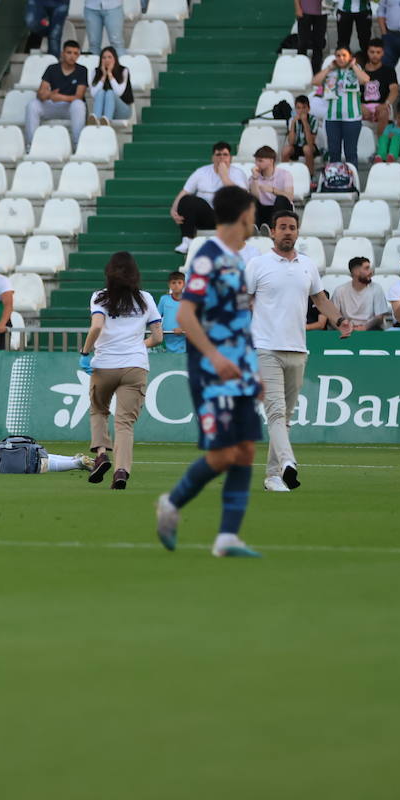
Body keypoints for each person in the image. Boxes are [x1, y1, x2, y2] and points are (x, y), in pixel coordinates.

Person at [154, 186, 262, 558]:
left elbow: (239, 322)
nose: (255, 220)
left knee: (246, 450)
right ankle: (172, 502)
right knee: (223, 454)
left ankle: (227, 537)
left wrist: (253, 370)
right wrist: (215, 358)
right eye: (253, 212)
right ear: (243, 215)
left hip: (240, 370)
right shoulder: (206, 258)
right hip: (212, 372)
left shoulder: (237, 260)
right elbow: (185, 315)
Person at [246, 210, 351, 493]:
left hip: (297, 349)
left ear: (298, 231)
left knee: (285, 418)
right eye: (282, 227)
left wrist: (339, 320)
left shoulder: (307, 265)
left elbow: (319, 299)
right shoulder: (258, 264)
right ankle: (289, 463)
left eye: (292, 227)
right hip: (266, 348)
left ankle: (272, 476)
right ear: (272, 232)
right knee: (276, 413)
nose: (288, 232)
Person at [78, 251, 162, 490]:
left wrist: (85, 353)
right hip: (135, 366)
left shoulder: (100, 297)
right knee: (125, 423)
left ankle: (102, 454)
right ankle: (121, 470)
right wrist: (138, 345)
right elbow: (157, 337)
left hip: (105, 364)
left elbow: (96, 327)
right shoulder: (145, 298)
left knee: (98, 410)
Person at [170, 141, 249, 254]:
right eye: (218, 155)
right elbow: (184, 191)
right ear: (213, 158)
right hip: (207, 216)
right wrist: (173, 209)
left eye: (225, 155)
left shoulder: (238, 173)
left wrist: (224, 177)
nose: (222, 158)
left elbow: (242, 197)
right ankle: (187, 240)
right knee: (187, 199)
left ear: (230, 158)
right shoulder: (201, 172)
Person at [24, 38, 88, 148]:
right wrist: (48, 95)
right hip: (53, 105)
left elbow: (79, 96)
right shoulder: (52, 68)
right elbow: (40, 93)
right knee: (33, 105)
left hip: (69, 107)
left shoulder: (82, 70)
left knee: (79, 105)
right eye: (69, 52)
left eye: (75, 53)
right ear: (62, 53)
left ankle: (78, 145)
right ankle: (32, 145)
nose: (72, 56)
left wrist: (58, 97)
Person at [314, 45, 370, 166]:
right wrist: (329, 68)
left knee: (350, 152)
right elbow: (315, 82)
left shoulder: (356, 69)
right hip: (332, 118)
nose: (341, 58)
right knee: (334, 153)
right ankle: (335, 181)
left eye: (344, 55)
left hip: (352, 118)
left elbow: (365, 80)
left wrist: (354, 65)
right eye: (338, 55)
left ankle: (353, 181)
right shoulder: (330, 71)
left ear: (350, 57)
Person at [332, 255, 392, 330]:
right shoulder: (340, 290)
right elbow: (333, 316)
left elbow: (379, 317)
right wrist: (343, 328)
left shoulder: (377, 288)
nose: (371, 272)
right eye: (367, 268)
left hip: (371, 330)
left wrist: (364, 327)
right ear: (355, 272)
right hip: (346, 330)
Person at [248, 145, 294, 230]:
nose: (257, 164)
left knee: (281, 199)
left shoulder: (285, 175)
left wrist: (273, 190)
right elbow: (255, 196)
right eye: (256, 161)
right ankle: (254, 228)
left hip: (281, 209)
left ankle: (273, 229)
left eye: (260, 161)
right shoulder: (253, 177)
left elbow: (290, 197)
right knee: (251, 199)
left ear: (271, 161)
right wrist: (255, 179)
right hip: (264, 209)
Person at [282, 94, 319, 180]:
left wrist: (305, 123)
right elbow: (291, 142)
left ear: (308, 108)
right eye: (298, 108)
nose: (301, 111)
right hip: (296, 146)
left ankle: (310, 176)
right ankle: (283, 175)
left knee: (307, 148)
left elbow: (311, 142)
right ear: (295, 109)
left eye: (304, 108)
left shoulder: (313, 120)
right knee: (286, 150)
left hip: (310, 146)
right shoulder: (292, 120)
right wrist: (293, 124)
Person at [157, 270, 186, 351]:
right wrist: (158, 329)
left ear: (184, 284)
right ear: (169, 284)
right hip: (166, 339)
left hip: (183, 340)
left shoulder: (188, 301)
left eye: (179, 283)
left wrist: (183, 329)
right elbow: (156, 318)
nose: (176, 285)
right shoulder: (164, 299)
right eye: (173, 283)